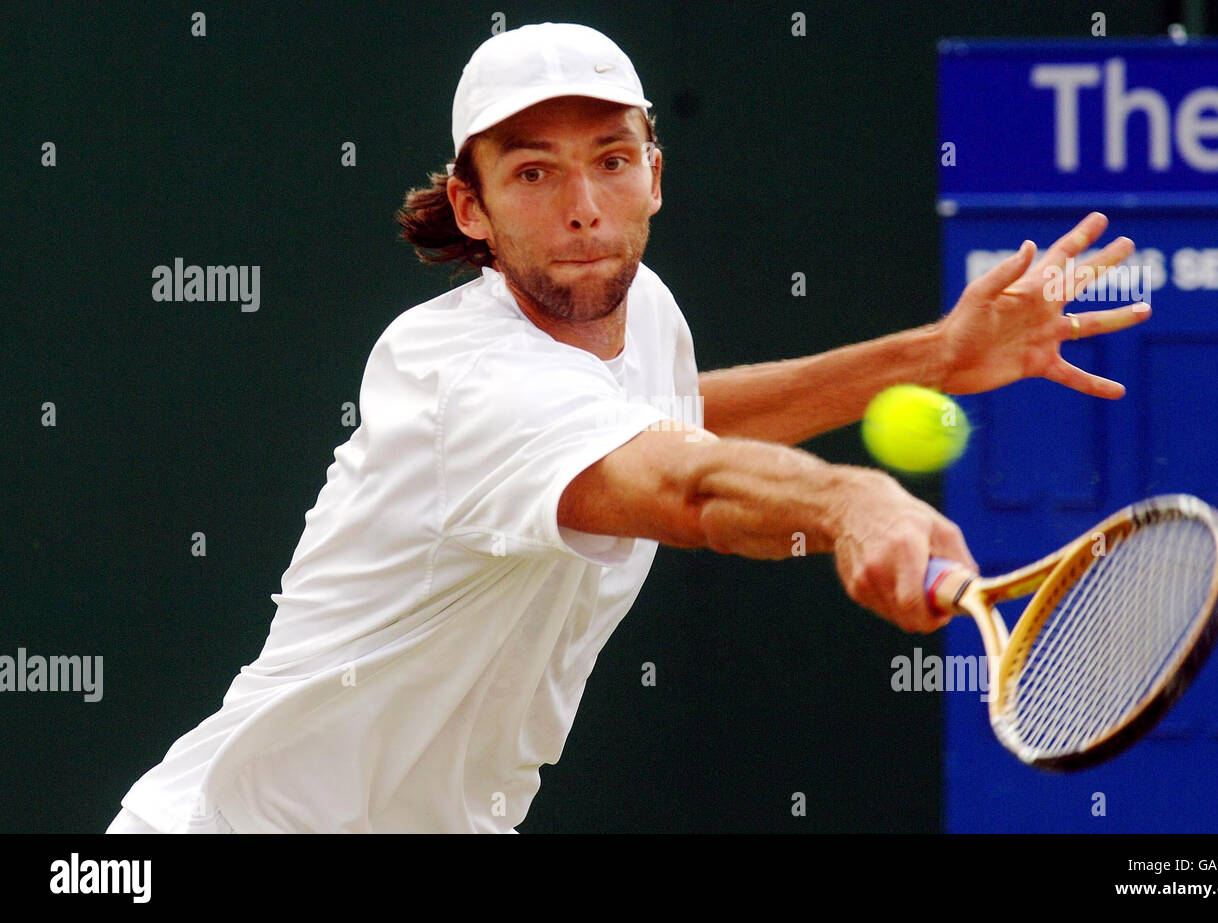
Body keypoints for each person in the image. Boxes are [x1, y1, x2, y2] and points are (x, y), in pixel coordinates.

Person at [107, 22, 1148, 834]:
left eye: (610, 159)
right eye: (532, 170)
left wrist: (926, 358)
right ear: (471, 208)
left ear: (653, 171)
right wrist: (848, 497)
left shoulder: (639, 307)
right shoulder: (460, 376)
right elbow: (686, 485)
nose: (582, 206)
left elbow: (672, 419)